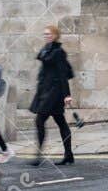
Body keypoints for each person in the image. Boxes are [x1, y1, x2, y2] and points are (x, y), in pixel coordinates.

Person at [31, 24, 76, 166]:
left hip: (54, 93)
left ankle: (39, 156)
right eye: (45, 34)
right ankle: (69, 155)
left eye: (49, 34)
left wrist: (67, 95)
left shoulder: (58, 52)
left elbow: (63, 75)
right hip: (45, 91)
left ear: (55, 35)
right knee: (61, 122)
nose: (47, 36)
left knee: (39, 120)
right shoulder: (46, 50)